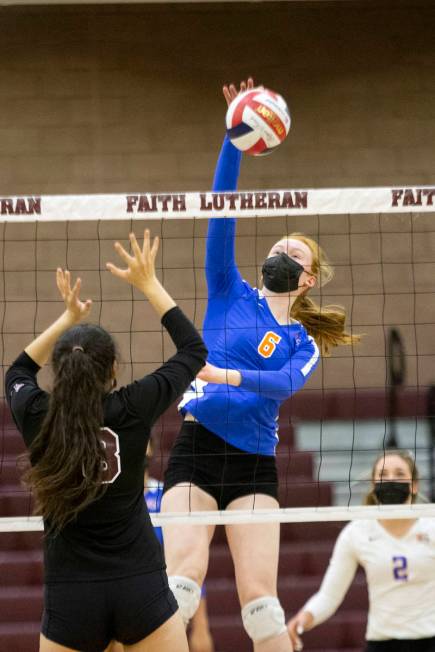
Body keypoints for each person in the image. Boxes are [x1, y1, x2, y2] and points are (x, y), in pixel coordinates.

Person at [161, 79, 359, 652]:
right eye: (276, 248)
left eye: (293, 255)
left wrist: (223, 375)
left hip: (253, 464)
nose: (279, 256)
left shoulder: (302, 339)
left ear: (309, 278)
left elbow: (282, 385)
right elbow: (220, 215)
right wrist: (232, 139)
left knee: (261, 608)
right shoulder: (227, 288)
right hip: (196, 448)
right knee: (180, 586)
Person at [5, 230, 207, 652]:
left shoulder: (39, 415)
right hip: (140, 587)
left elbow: (17, 373)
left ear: (59, 370)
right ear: (113, 368)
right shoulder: (133, 408)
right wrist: (149, 282)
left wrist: (67, 320)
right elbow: (193, 350)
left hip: (71, 597)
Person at [287, 450, 435, 652]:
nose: (391, 479)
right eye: (383, 474)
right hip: (382, 642)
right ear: (374, 485)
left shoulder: (431, 526)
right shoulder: (357, 532)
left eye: (400, 474)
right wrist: (304, 617)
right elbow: (329, 596)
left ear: (415, 485)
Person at [108, 440, 215, 652]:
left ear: (152, 448)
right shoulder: (111, 500)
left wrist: (201, 625)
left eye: (145, 440)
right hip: (122, 597)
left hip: (162, 598)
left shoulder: (166, 497)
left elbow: (188, 560)